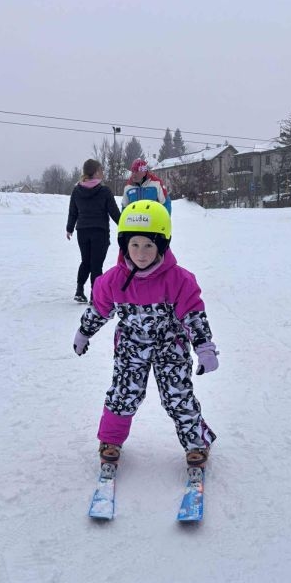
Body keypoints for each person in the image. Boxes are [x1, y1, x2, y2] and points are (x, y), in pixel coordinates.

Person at [72, 199, 218, 469]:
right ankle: (111, 440)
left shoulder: (179, 280)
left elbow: (193, 315)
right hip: (130, 346)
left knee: (177, 395)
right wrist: (84, 333)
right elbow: (99, 310)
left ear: (162, 245)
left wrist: (204, 348)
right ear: (124, 244)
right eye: (134, 244)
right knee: (123, 393)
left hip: (170, 346)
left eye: (149, 245)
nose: (141, 253)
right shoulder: (112, 280)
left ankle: (197, 442)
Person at [66, 159, 121, 303]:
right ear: (96, 172)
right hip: (99, 232)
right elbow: (114, 212)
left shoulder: (77, 190)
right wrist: (125, 225)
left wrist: (69, 228)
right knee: (96, 264)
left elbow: (73, 212)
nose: (102, 172)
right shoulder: (104, 191)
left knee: (86, 261)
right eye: (101, 170)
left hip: (82, 232)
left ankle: (79, 290)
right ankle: (94, 296)